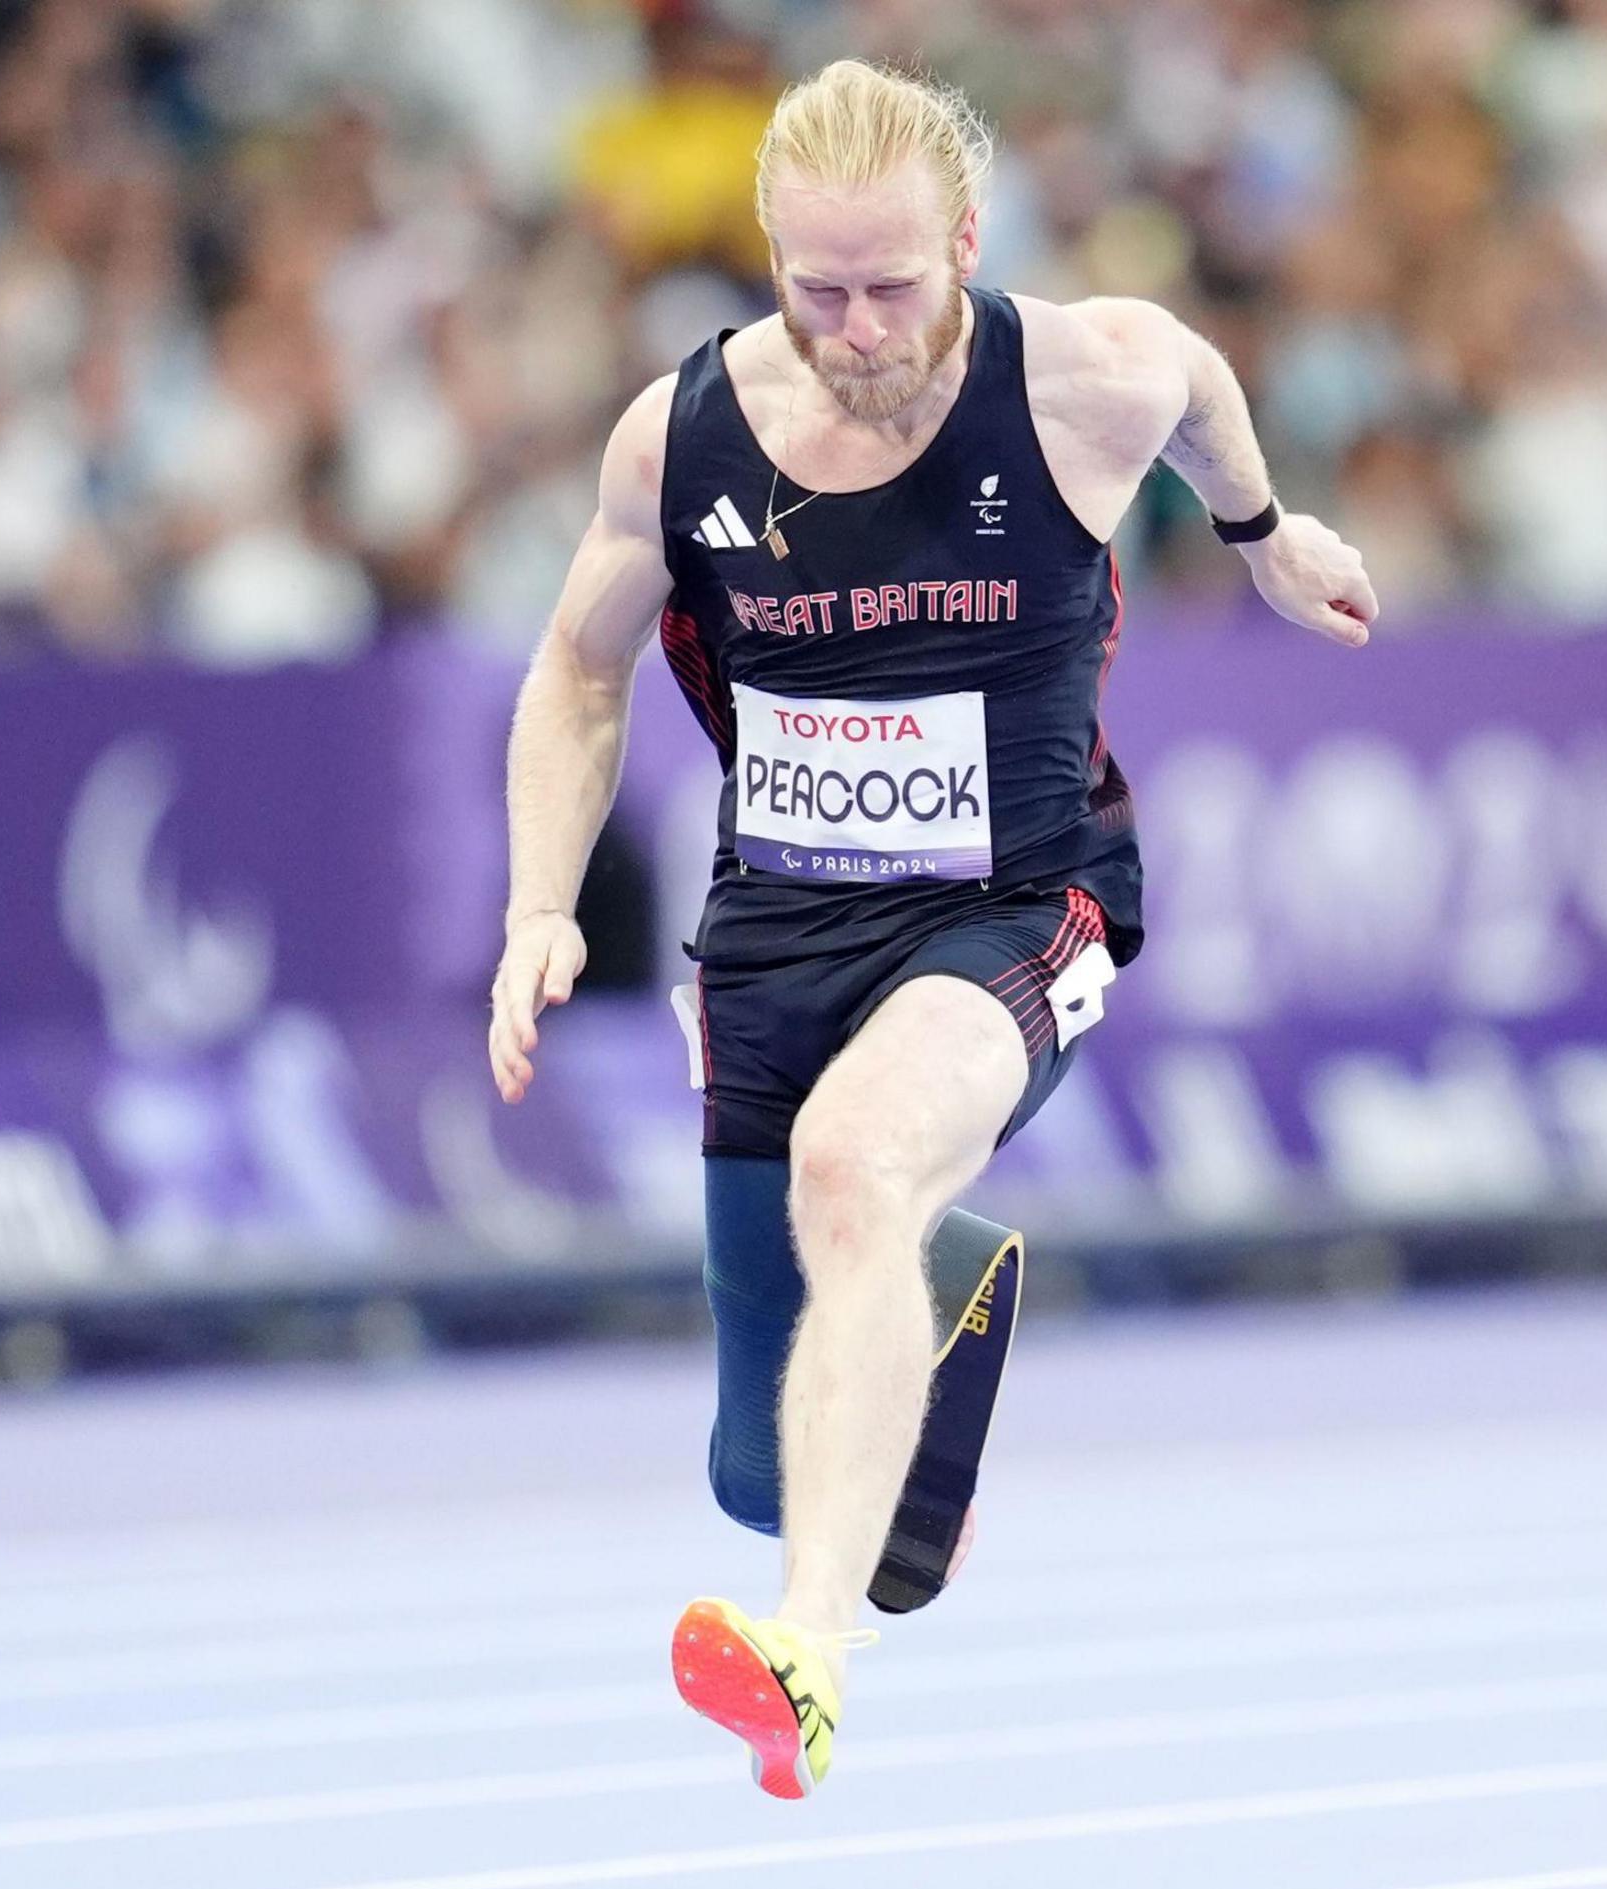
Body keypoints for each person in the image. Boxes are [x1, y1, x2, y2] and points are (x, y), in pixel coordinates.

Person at [486, 60, 1376, 1801]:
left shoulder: (1085, 377)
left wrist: (1266, 537)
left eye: (895, 284)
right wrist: (534, 904)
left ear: (967, 242)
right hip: (774, 936)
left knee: (857, 1165)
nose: (861, 325)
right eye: (817, 288)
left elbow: (1198, 381)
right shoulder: (681, 441)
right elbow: (577, 674)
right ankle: (925, 1340)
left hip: (1019, 908)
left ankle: (808, 1653)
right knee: (766, 1458)